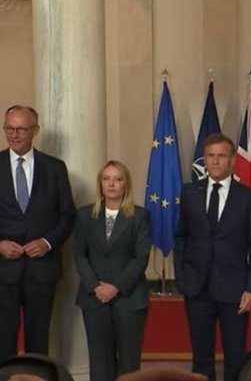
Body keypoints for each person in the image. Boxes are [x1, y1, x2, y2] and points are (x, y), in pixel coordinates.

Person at [174, 133, 251, 381]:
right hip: (197, 287)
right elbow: (181, 236)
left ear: (232, 160)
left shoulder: (248, 197)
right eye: (210, 156)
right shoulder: (190, 192)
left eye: (221, 156)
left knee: (235, 355)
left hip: (235, 290)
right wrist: (182, 276)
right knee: (201, 356)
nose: (215, 162)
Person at [0, 105, 76, 361]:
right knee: (3, 338)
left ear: (35, 130)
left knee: (38, 340)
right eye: (9, 128)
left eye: (21, 129)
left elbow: (68, 215)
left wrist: (47, 242)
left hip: (41, 270)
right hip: (3, 270)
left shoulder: (55, 168)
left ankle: (36, 377)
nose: (14, 135)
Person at [72, 160, 151, 381]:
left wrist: (115, 287)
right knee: (100, 362)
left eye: (117, 179)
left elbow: (141, 258)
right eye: (106, 179)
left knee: (129, 363)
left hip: (129, 298)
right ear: (100, 183)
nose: (111, 184)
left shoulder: (140, 216)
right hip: (94, 298)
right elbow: (79, 254)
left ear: (126, 184)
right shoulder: (85, 215)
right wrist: (95, 287)